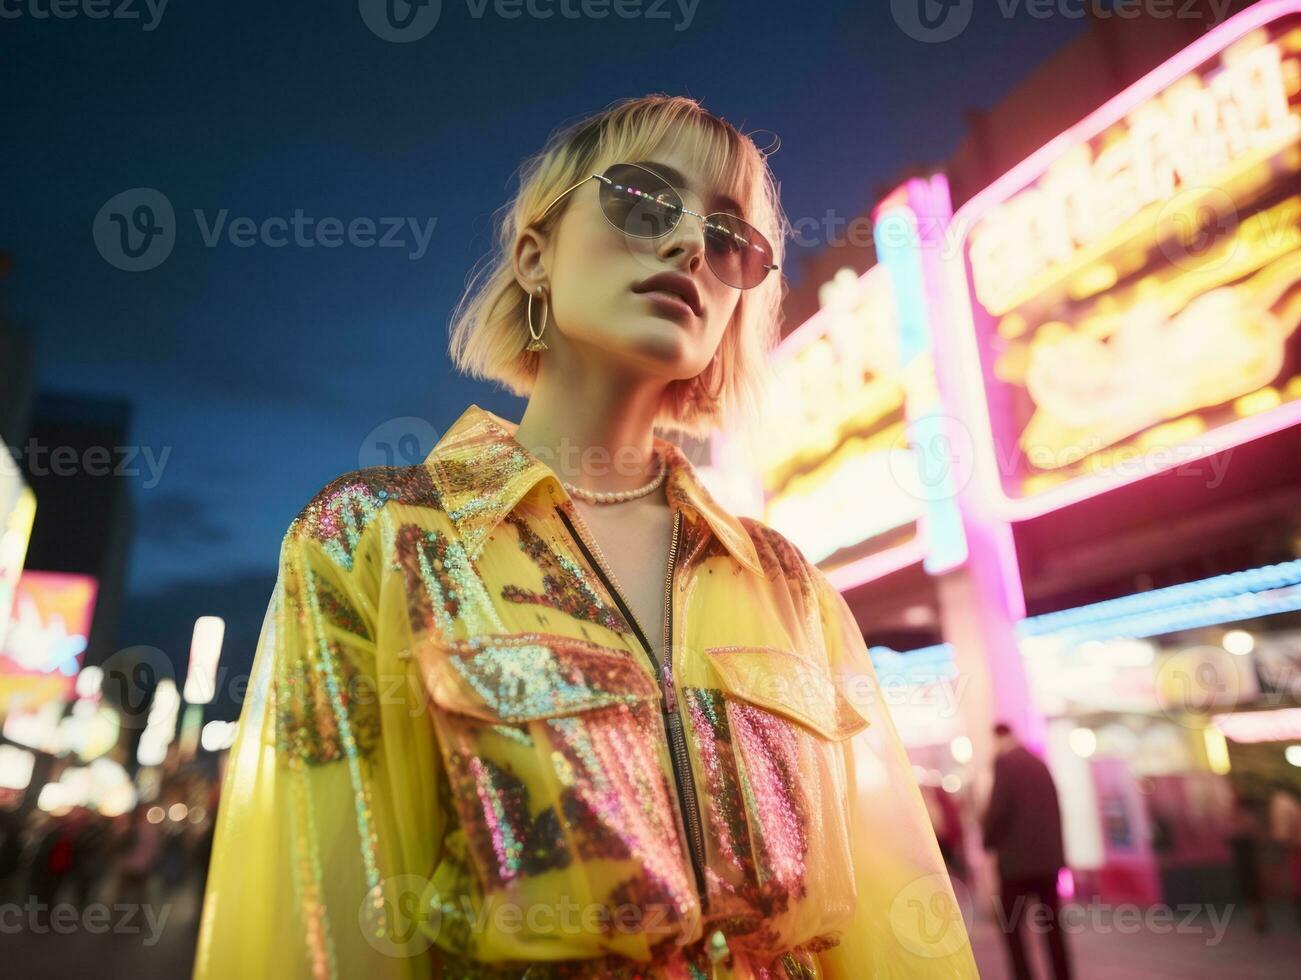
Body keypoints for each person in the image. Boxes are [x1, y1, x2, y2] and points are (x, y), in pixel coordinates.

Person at [193, 94, 977, 979]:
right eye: (643, 201)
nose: (690, 247)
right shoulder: (376, 542)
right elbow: (319, 928)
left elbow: (893, 931)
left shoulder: (792, 590)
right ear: (534, 254)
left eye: (730, 239)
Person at [981, 722, 1072, 980]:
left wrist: (987, 841)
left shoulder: (1005, 763)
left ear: (998, 738)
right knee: (1053, 928)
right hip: (1048, 863)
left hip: (1016, 866)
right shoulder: (1038, 763)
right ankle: (1062, 974)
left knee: (1011, 928)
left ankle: (1024, 976)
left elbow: (998, 810)